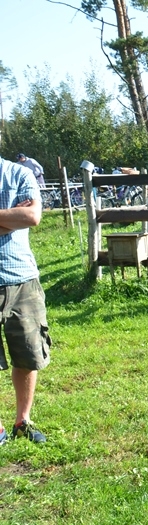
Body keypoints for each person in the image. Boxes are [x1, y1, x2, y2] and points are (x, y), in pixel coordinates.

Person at [0, 137, 51, 443]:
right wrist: (10, 217)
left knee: (28, 354)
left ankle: (23, 421)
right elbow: (20, 218)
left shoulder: (19, 174)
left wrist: (21, 217)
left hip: (21, 277)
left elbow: (31, 216)